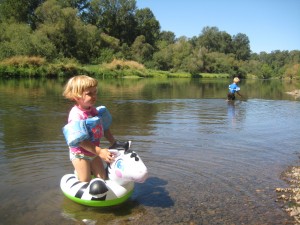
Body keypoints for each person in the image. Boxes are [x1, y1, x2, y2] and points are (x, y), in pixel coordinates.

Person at [62, 75, 128, 182]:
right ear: (76, 96)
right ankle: (79, 173)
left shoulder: (93, 111)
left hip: (93, 151)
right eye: (89, 93)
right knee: (85, 180)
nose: (94, 96)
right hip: (79, 153)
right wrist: (100, 152)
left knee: (102, 178)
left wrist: (114, 143)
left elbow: (104, 128)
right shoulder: (76, 115)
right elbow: (81, 141)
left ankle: (92, 170)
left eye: (95, 92)